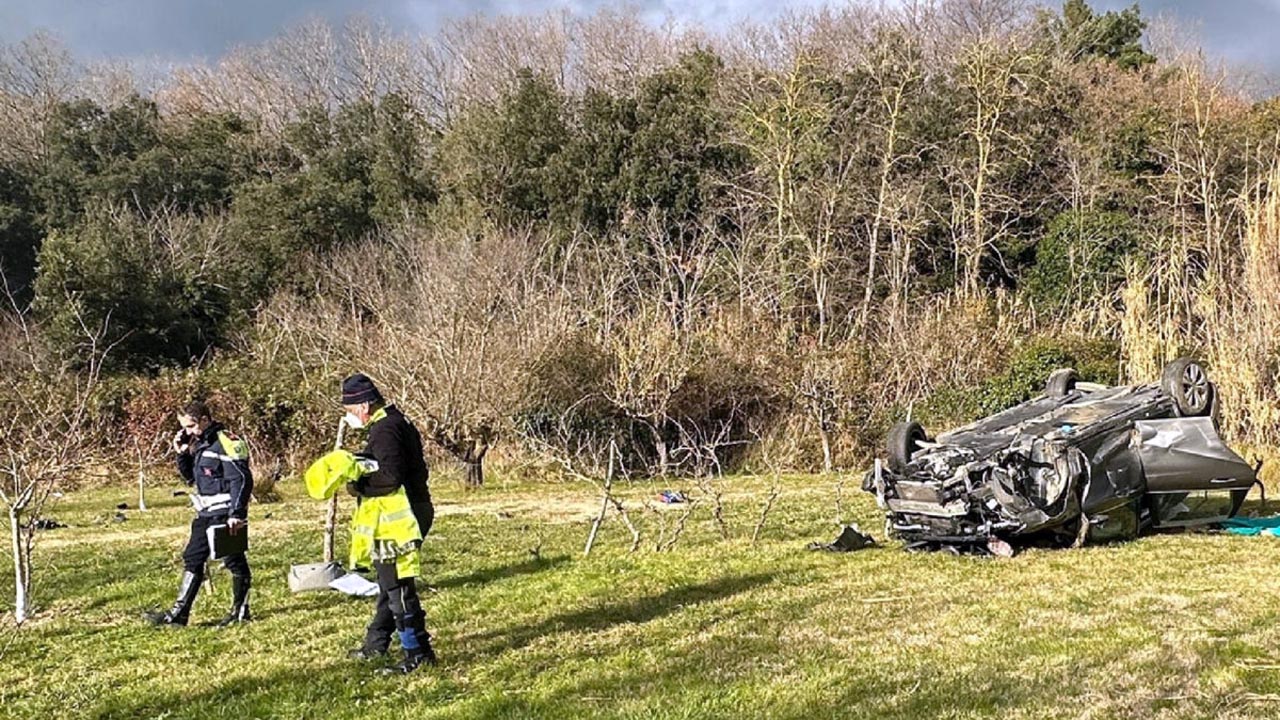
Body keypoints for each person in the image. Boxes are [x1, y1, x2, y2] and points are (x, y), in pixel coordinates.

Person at [339, 373, 437, 673]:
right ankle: (376, 643)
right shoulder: (396, 422)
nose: (349, 416)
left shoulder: (385, 428)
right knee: (388, 582)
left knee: (398, 588)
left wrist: (356, 483)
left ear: (365, 404)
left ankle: (416, 653)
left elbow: (391, 476)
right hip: (413, 509)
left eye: (350, 410)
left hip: (400, 518)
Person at [144, 401, 253, 627]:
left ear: (205, 419)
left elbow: (242, 479)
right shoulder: (200, 443)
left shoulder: (226, 442)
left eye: (192, 426)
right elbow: (191, 478)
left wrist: (237, 513)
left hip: (225, 512)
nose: (188, 431)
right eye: (185, 427)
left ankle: (239, 612)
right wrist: (182, 453)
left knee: (233, 560)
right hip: (205, 513)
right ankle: (179, 614)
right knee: (193, 557)